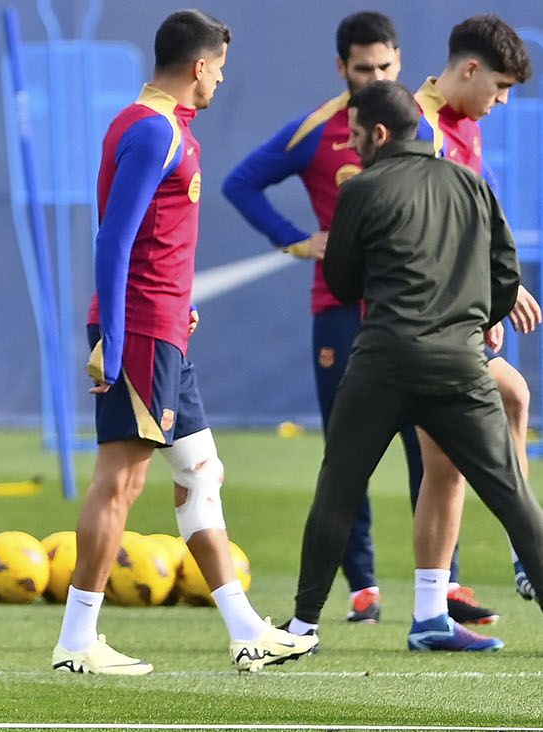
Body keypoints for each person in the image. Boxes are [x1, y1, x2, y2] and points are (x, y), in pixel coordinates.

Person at [52, 9, 318, 676]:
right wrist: (114, 340)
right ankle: (77, 640)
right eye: (219, 70)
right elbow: (114, 239)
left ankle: (245, 629)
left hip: (164, 327)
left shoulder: (161, 127)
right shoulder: (150, 128)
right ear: (199, 66)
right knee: (122, 481)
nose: (220, 83)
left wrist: (179, 305)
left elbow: (152, 239)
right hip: (139, 331)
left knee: (200, 472)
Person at [223, 12, 497, 627]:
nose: (373, 75)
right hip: (342, 312)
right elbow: (241, 183)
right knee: (348, 456)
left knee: (433, 451)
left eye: (383, 66)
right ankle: (363, 587)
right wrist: (299, 240)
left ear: (398, 61)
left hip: (423, 316)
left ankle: (442, 585)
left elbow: (476, 203)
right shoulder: (320, 130)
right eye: (361, 67)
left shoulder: (425, 126)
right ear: (341, 68)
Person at [288, 79, 543, 652]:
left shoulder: (362, 189)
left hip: (383, 362)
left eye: (355, 136)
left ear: (379, 134)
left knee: (338, 488)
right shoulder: (471, 184)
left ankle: (303, 628)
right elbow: (506, 274)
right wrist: (470, 315)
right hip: (459, 363)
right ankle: (433, 618)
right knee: (514, 497)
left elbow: (342, 281)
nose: (350, 147)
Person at [410, 14, 539, 609]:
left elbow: (478, 220)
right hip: (423, 325)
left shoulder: (465, 125)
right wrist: (485, 293)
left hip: (456, 319)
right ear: (469, 69)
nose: (503, 101)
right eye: (500, 87)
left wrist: (493, 290)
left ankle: (436, 607)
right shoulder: (422, 129)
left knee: (505, 406)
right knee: (443, 463)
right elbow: (421, 238)